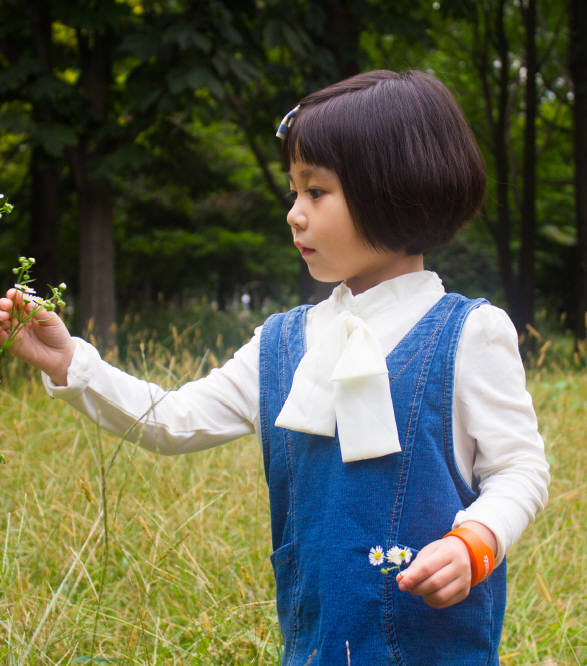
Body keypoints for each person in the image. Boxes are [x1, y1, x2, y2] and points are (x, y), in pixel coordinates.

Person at [0, 70, 549, 665]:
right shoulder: (285, 342)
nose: (294, 213)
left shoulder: (468, 333)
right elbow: (173, 419)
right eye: (294, 192)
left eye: (316, 192)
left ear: (392, 190)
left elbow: (520, 469)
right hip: (312, 645)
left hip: (437, 647)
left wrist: (476, 544)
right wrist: (73, 364)